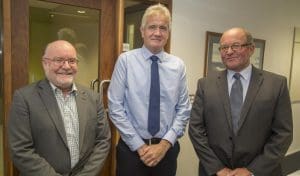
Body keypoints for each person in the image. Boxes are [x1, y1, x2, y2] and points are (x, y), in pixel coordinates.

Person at [188, 27, 293, 176]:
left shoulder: (276, 84)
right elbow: (195, 129)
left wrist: (252, 171)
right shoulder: (205, 84)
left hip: (262, 172)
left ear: (251, 49)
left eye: (236, 46)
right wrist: (217, 167)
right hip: (215, 172)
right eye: (224, 47)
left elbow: (283, 134)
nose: (229, 51)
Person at [108, 3, 191, 176]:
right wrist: (139, 146)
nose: (157, 33)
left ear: (168, 33)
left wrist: (164, 145)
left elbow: (183, 109)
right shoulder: (126, 61)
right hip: (131, 150)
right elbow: (115, 107)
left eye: (163, 28)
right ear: (142, 31)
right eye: (152, 27)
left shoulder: (178, 65)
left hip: (166, 150)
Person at [8, 40, 111, 176]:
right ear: (45, 63)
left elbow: (103, 140)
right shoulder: (24, 98)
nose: (66, 66)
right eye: (59, 60)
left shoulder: (93, 98)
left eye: (72, 61)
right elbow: (20, 149)